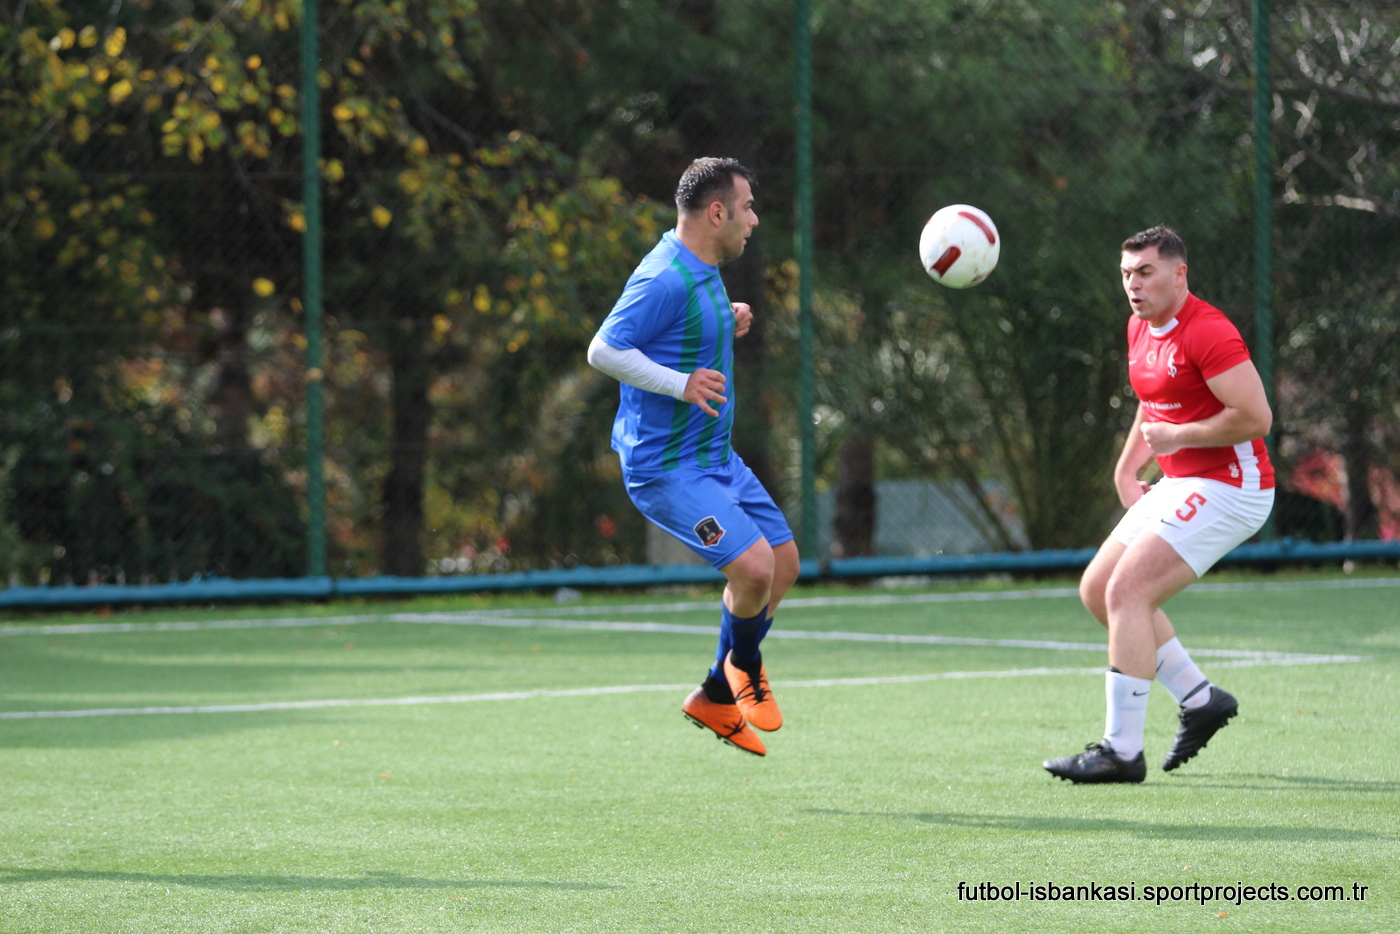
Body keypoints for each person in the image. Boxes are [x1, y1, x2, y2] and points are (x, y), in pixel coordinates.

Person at [1044, 226, 1275, 784]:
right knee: (1098, 589)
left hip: (1233, 486)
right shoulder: (1139, 326)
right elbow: (1152, 404)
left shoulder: (1209, 331)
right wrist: (1128, 468)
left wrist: (1179, 438)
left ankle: (1122, 752)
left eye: (1146, 272)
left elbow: (1256, 417)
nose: (1134, 285)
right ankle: (1200, 698)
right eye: (1127, 274)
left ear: (1179, 273)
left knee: (1128, 592)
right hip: (1184, 479)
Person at [587, 157, 800, 757]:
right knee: (753, 569)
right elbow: (603, 351)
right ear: (717, 213)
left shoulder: (703, 269)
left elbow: (677, 333)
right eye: (748, 208)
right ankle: (744, 667)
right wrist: (680, 385)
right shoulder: (664, 277)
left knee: (783, 563)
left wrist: (726, 321)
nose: (753, 220)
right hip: (666, 467)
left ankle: (715, 692)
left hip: (714, 457)